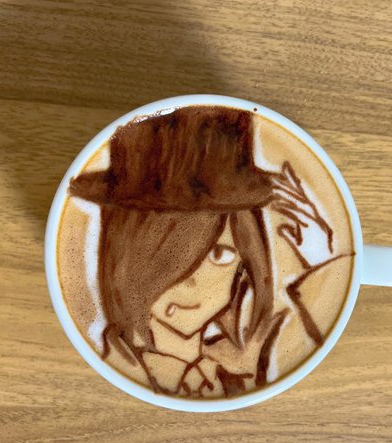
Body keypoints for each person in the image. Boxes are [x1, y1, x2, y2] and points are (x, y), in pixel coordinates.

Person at [69, 106, 350, 398]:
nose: (191, 280)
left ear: (245, 263)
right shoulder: (112, 367)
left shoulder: (240, 373)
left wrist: (324, 253)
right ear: (122, 254)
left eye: (219, 255)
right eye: (168, 256)